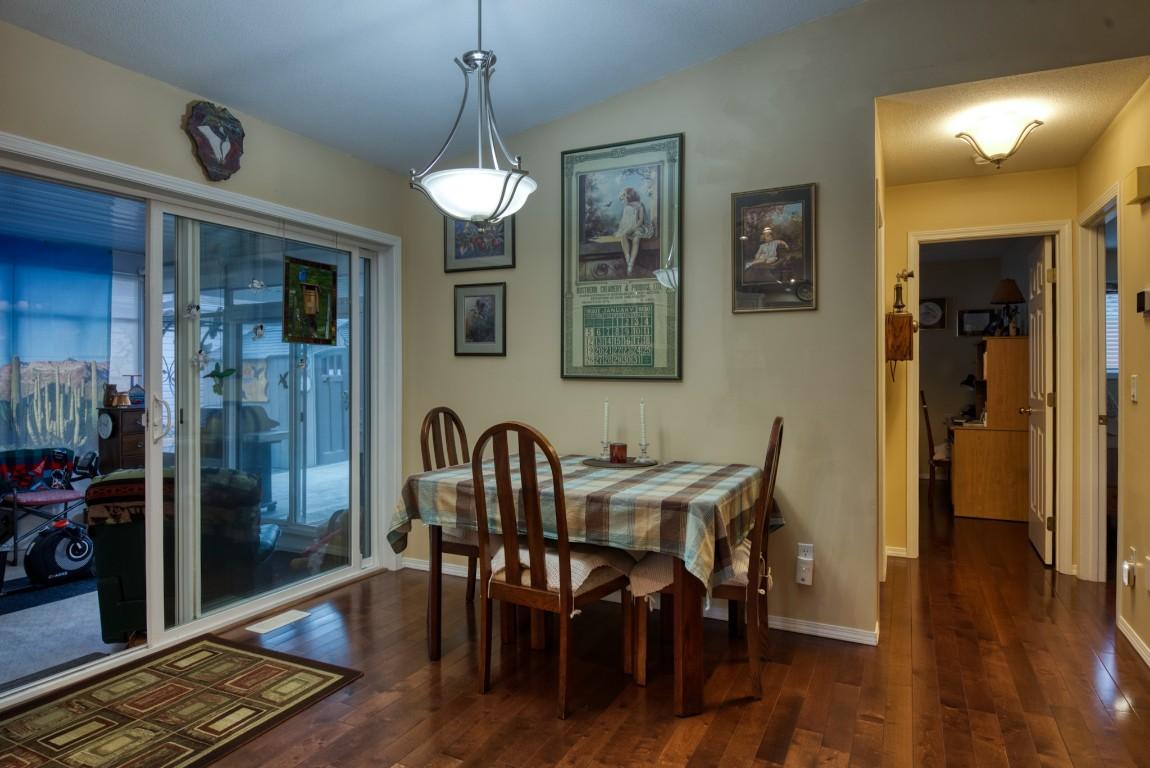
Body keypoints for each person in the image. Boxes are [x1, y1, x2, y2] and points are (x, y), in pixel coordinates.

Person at [614, 187, 655, 275]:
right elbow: (624, 221)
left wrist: (633, 228)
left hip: (638, 227)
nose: (624, 197)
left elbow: (640, 220)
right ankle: (628, 258)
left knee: (636, 239)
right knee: (623, 236)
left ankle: (631, 263)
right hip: (628, 228)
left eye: (625, 195)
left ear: (630, 195)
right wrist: (626, 229)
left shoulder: (640, 205)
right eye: (624, 195)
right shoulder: (626, 207)